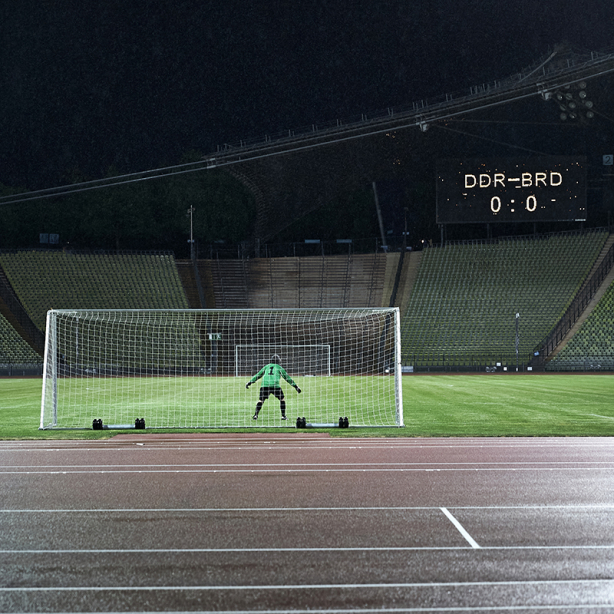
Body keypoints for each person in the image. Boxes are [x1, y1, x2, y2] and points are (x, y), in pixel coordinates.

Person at [246, 354, 301, 420]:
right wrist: (296, 387)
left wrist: (250, 382)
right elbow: (287, 378)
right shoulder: (279, 367)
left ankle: (255, 415)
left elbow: (258, 375)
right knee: (282, 399)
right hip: (275, 386)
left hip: (265, 385)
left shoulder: (266, 366)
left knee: (261, 400)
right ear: (278, 361)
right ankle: (283, 416)